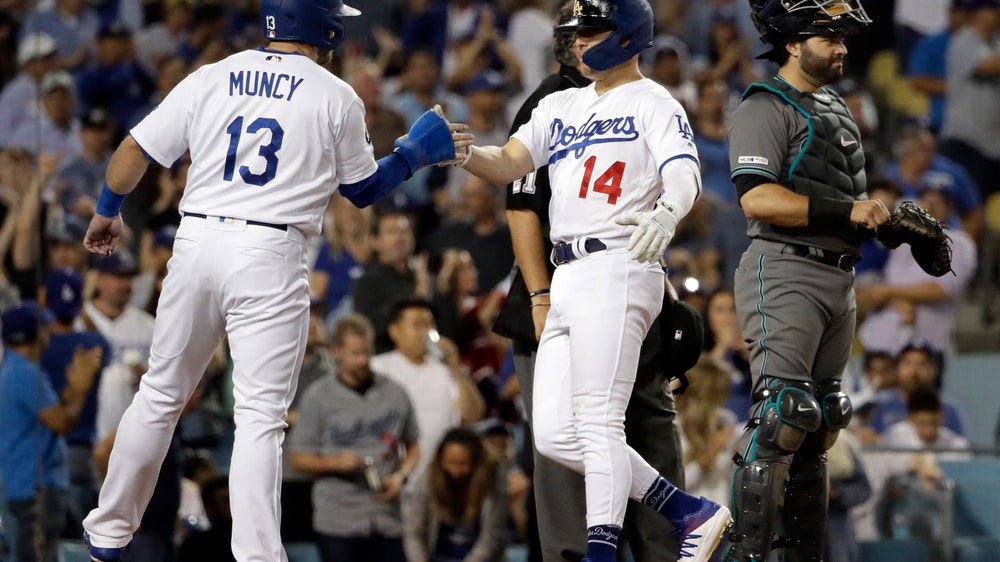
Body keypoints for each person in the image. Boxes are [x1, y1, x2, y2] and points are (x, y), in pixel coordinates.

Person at [79, 0, 459, 560]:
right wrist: (411, 156)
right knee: (259, 418)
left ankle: (109, 531)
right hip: (269, 248)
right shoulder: (336, 94)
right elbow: (361, 192)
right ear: (324, 27)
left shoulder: (211, 75)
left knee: (159, 394)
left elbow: (135, 147)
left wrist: (108, 209)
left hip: (197, 239)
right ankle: (258, 554)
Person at [445, 0, 732, 560]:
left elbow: (685, 174)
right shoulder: (560, 103)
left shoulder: (654, 100)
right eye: (577, 32)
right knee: (554, 434)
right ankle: (685, 511)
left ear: (627, 34)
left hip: (621, 260)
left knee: (599, 422)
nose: (579, 41)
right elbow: (508, 163)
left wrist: (668, 212)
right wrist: (460, 154)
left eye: (592, 30)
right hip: (566, 271)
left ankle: (602, 553)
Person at [723, 0, 891, 560]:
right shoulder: (766, 104)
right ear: (793, 43)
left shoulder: (837, 105)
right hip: (787, 265)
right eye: (828, 36)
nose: (842, 46)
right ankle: (746, 555)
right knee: (782, 416)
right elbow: (757, 196)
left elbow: (842, 198)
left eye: (843, 36)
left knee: (822, 423)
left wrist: (891, 224)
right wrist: (849, 213)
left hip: (839, 275)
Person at [290, 314, 420, 562]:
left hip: (388, 517)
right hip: (339, 519)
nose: (362, 360)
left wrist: (401, 476)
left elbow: (414, 445)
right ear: (336, 350)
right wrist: (334, 463)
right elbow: (299, 459)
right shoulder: (317, 397)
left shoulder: (394, 392)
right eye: (355, 353)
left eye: (366, 353)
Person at [0, 302, 101, 562]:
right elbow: (62, 422)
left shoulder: (14, 370)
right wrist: (81, 388)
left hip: (27, 485)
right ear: (35, 334)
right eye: (44, 328)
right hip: (36, 487)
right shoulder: (24, 373)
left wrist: (74, 387)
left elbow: (52, 410)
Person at [403, 427, 508, 562]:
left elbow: (492, 536)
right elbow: (413, 530)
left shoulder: (494, 480)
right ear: (441, 459)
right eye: (450, 462)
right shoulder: (428, 479)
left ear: (476, 461)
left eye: (463, 464)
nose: (455, 470)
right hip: (437, 555)